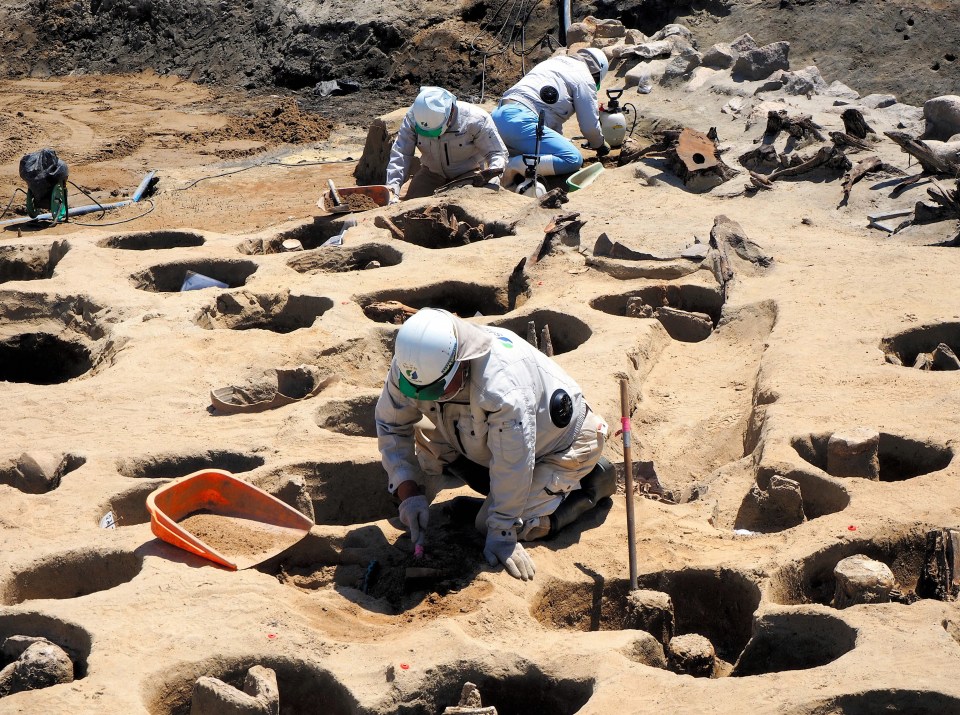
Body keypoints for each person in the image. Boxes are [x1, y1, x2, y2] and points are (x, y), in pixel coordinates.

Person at [375, 308, 616, 581]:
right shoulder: (412, 366)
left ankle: (593, 484)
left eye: (434, 390)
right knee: (429, 440)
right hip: (498, 441)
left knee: (493, 525)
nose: (424, 397)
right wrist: (409, 495)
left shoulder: (502, 388)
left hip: (562, 447)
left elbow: (514, 462)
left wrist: (503, 530)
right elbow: (390, 424)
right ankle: (496, 496)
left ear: (460, 363)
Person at [492, 47, 611, 187]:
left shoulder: (553, 63)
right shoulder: (584, 76)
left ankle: (512, 172)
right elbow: (589, 126)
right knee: (572, 158)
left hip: (498, 117)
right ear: (597, 74)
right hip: (520, 122)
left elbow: (551, 119)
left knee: (544, 155)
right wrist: (599, 144)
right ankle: (511, 165)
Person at [385, 86, 509, 201]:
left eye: (436, 131)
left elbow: (497, 153)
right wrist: (392, 189)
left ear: (449, 115)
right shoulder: (413, 118)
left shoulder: (476, 120)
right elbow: (401, 153)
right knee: (404, 206)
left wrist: (493, 172)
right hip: (431, 173)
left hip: (467, 175)